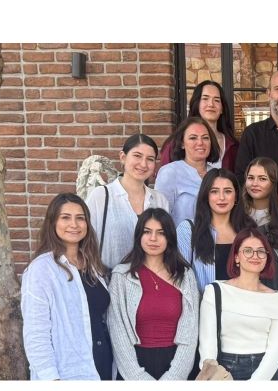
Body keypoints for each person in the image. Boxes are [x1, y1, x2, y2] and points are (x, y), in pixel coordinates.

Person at [21, 193, 112, 380]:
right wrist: (51, 378)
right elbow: (36, 334)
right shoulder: (41, 270)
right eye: (65, 217)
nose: (74, 224)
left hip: (103, 367)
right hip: (68, 372)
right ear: (53, 222)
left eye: (80, 218)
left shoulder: (93, 266)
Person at [107, 208, 199, 380]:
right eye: (147, 232)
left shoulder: (185, 275)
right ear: (139, 236)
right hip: (134, 366)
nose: (153, 238)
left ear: (169, 237)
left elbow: (191, 331)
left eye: (161, 233)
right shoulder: (122, 275)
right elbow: (118, 332)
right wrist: (138, 378)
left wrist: (174, 377)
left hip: (176, 364)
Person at [198, 227, 278, 380]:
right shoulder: (215, 291)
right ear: (237, 257)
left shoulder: (276, 297)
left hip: (266, 371)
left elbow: (276, 349)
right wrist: (215, 376)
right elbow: (207, 345)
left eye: (261, 251)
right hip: (224, 370)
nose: (255, 256)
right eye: (248, 251)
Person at [86, 133, 169, 270]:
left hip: (150, 279)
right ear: (123, 157)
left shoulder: (160, 200)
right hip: (108, 278)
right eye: (137, 156)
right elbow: (86, 242)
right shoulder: (101, 196)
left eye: (150, 159)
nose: (143, 164)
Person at [176, 168, 251, 293]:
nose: (221, 197)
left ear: (236, 196)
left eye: (227, 191)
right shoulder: (188, 229)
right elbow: (181, 278)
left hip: (242, 302)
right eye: (214, 191)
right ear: (206, 196)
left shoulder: (248, 230)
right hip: (204, 303)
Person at [157, 80, 238, 173]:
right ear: (197, 104)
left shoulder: (233, 146)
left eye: (216, 100)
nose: (211, 104)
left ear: (222, 108)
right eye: (205, 98)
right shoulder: (176, 144)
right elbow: (166, 177)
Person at [155, 117, 220, 226]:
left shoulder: (217, 173)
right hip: (182, 236)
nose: (200, 142)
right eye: (193, 138)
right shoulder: (170, 172)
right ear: (182, 143)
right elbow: (160, 218)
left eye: (205, 138)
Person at [241, 156, 278, 227]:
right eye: (251, 178)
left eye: (262, 179)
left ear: (274, 183)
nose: (254, 184)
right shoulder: (236, 212)